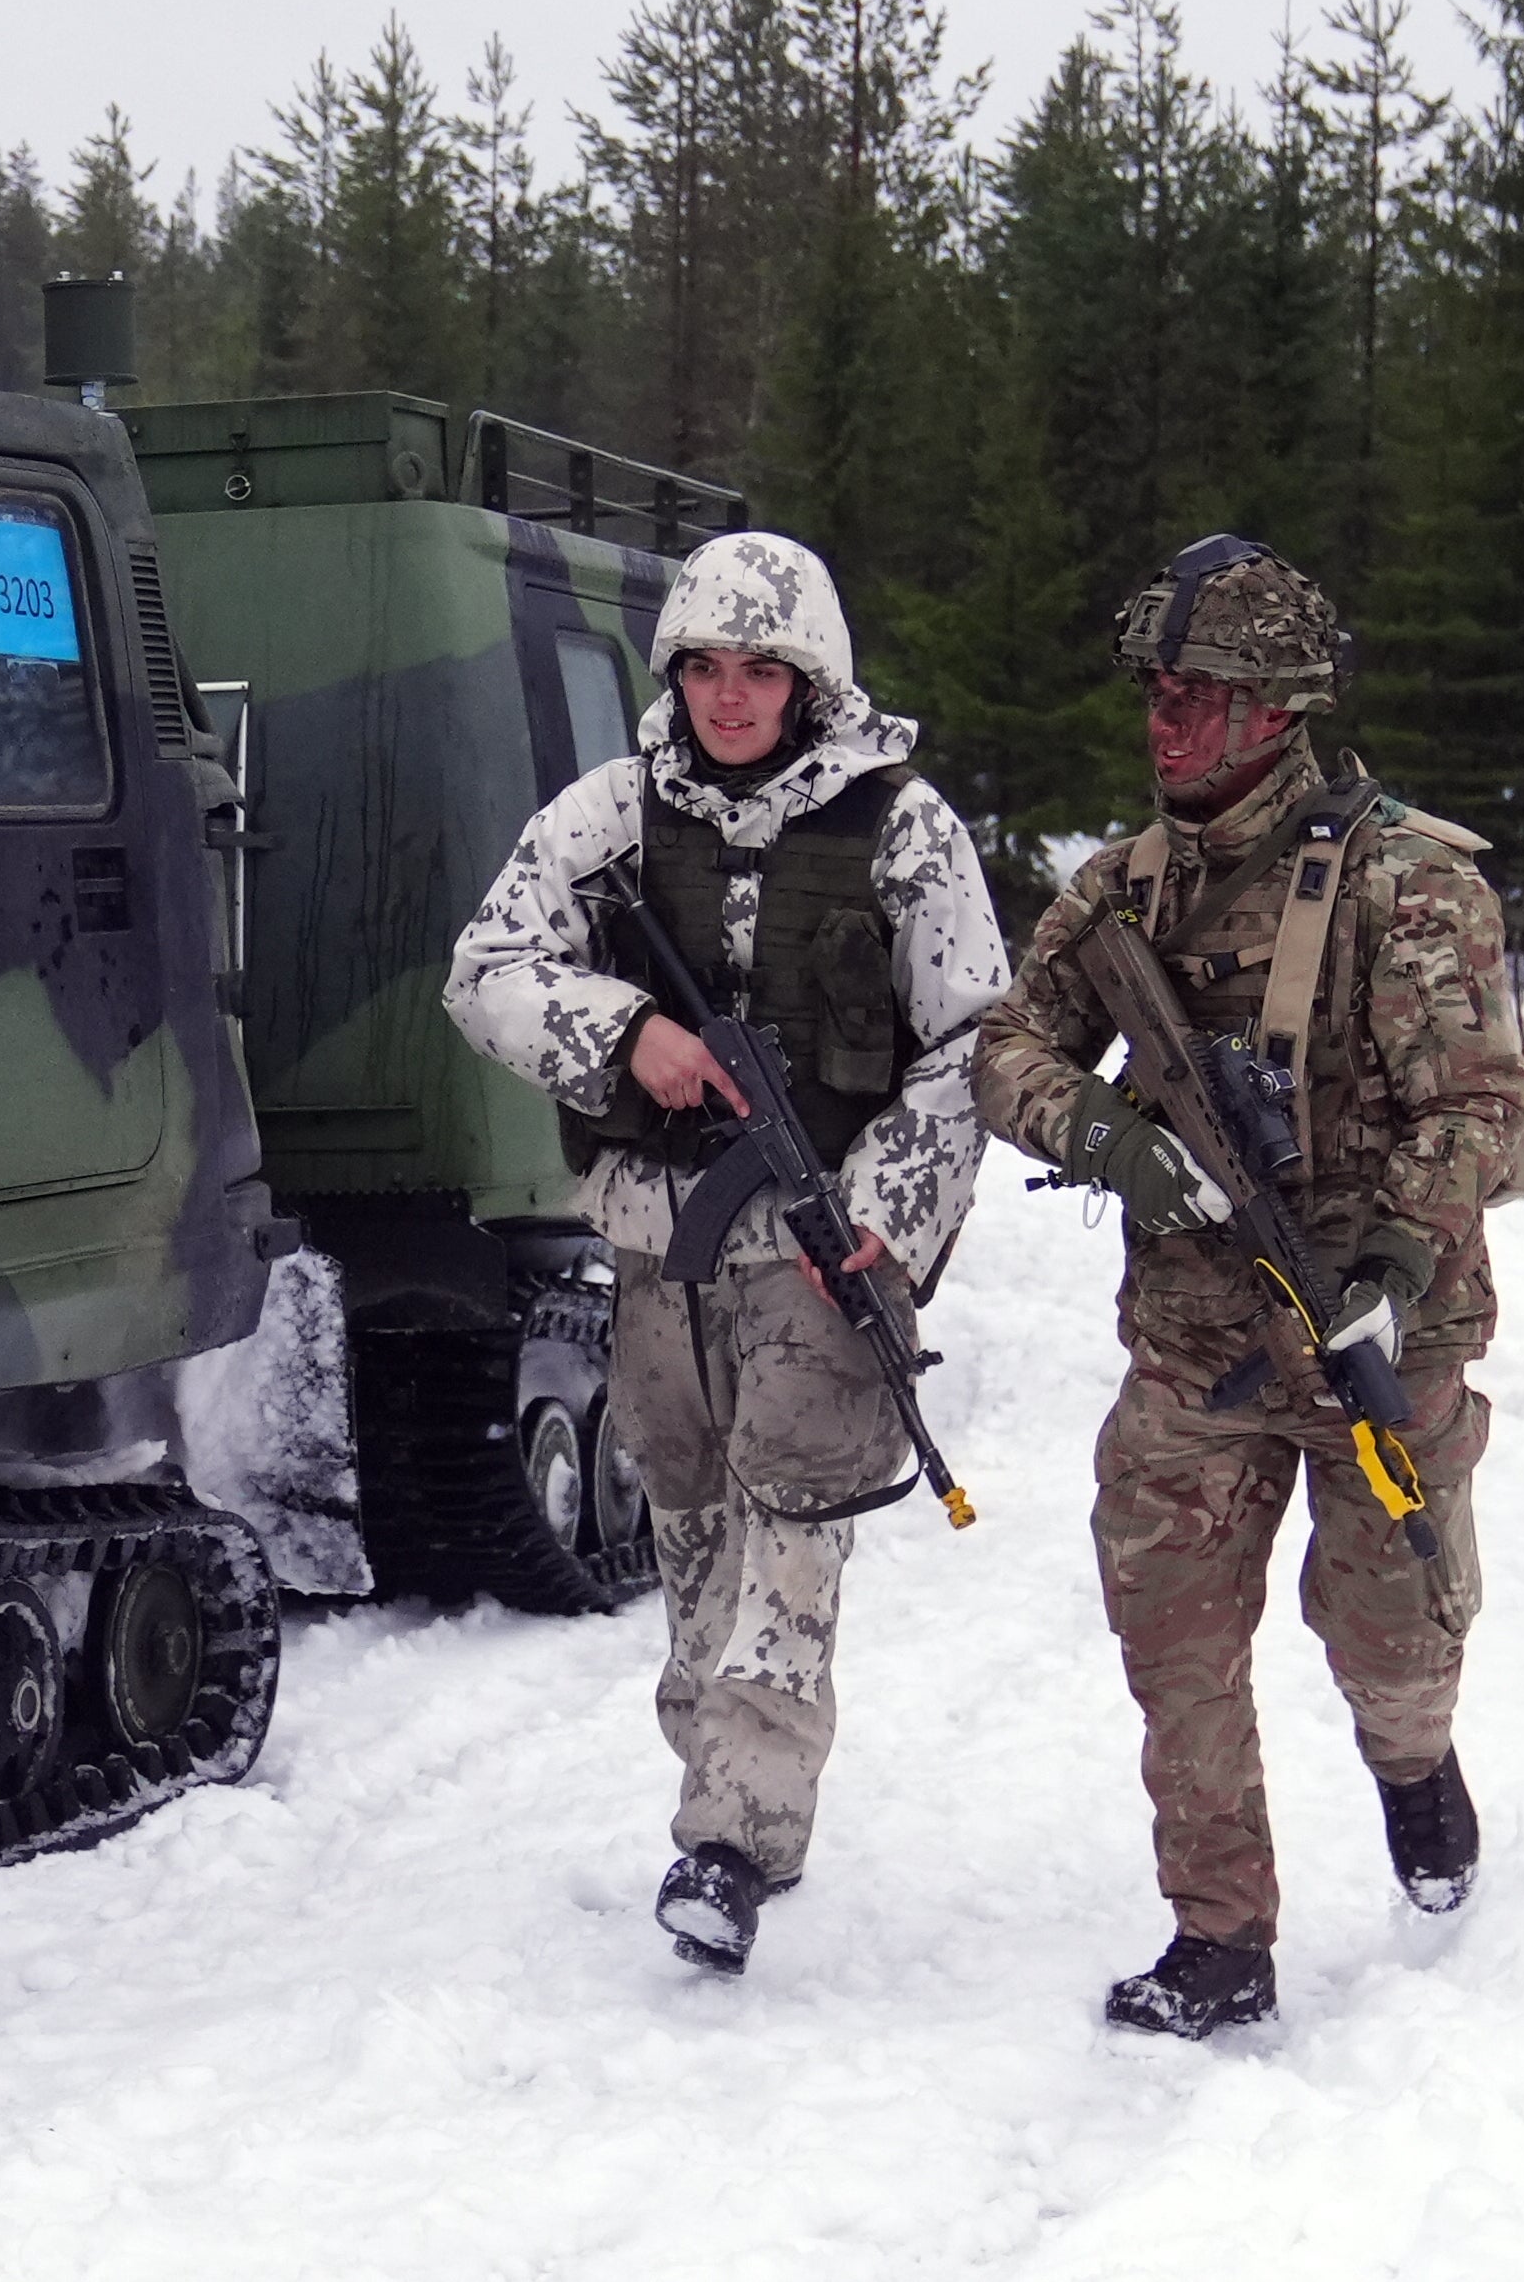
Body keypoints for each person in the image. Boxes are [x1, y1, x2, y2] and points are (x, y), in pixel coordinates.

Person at [972, 536, 1524, 2039]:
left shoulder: (1407, 881)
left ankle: (1414, 1766)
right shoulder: (1124, 893)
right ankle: (1220, 1936)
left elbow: (1480, 1112)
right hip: (1194, 1342)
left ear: (1277, 706)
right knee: (1173, 1640)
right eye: (1155, 692)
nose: (1166, 723)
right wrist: (1103, 1136)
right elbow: (1004, 1048)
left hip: (1372, 1338)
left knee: (1388, 1642)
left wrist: (1393, 1260)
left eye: (1198, 696)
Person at [445, 531, 1008, 1977]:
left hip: (824, 1252)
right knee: (691, 1516)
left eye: (762, 669)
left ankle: (735, 1838)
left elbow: (973, 1042)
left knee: (796, 1518)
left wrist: (884, 1210)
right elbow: (486, 970)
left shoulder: (902, 828)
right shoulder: (615, 813)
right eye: (705, 667)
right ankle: (722, 1784)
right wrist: (631, 1035)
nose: (731, 695)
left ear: (809, 679)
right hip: (662, 1243)